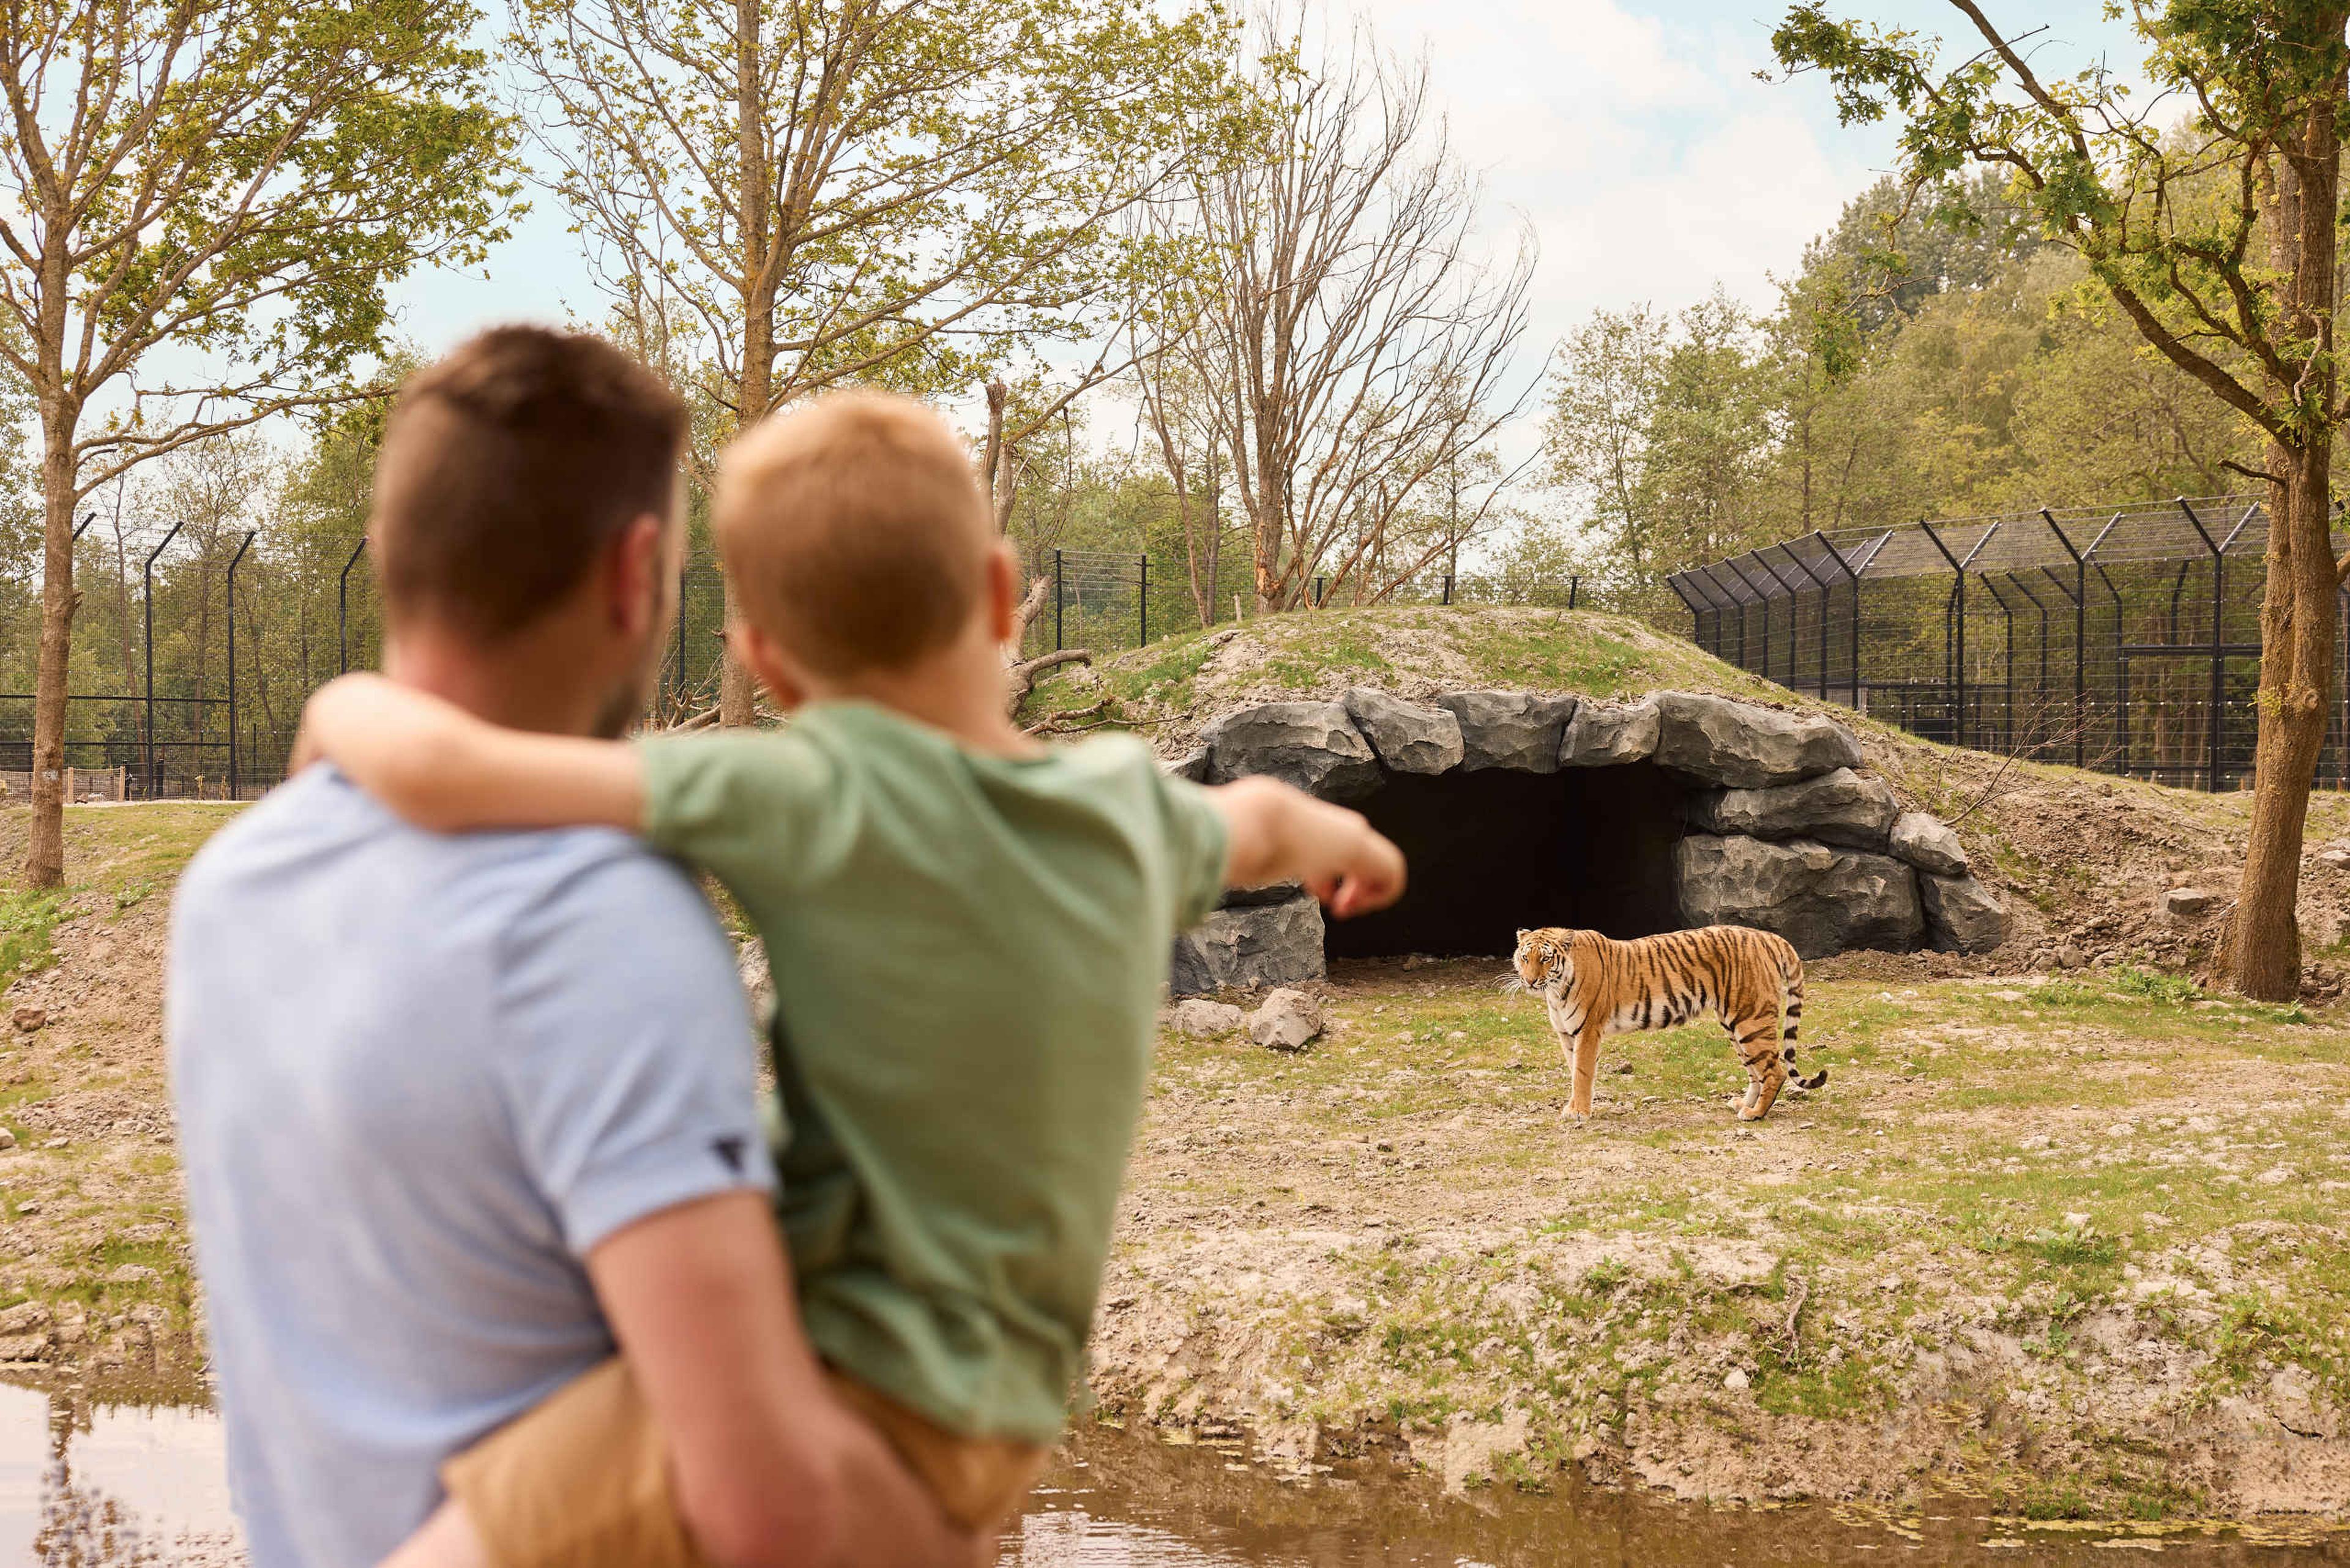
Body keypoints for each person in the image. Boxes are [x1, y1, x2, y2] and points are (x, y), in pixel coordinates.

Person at [298, 389, 1408, 1566]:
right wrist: (1358, 848)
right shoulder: (1120, 807)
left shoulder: (802, 791)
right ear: (997, 596)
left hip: (846, 1376)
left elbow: (452, 773)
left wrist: (345, 706)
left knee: (464, 1539)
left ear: (766, 663)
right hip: (1012, 1405)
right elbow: (1265, 819)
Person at [167, 329, 978, 1568]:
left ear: (393, 555)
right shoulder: (595, 921)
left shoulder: (230, 887)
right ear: (636, 571)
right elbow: (766, 1514)